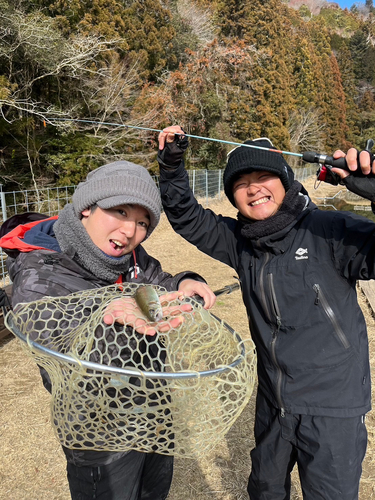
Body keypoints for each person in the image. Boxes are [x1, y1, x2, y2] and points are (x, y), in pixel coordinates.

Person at [157, 125, 375, 500]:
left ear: (286, 181)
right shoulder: (241, 243)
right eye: (242, 183)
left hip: (333, 408)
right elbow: (188, 217)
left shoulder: (329, 230)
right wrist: (171, 166)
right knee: (265, 491)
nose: (254, 188)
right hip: (274, 403)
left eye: (264, 177)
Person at [0, 160, 216, 500]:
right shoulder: (39, 276)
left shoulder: (128, 257)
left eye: (143, 222)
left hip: (154, 411)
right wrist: (105, 322)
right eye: (120, 211)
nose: (130, 231)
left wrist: (185, 281)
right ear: (87, 207)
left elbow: (155, 282)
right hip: (101, 435)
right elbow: (62, 358)